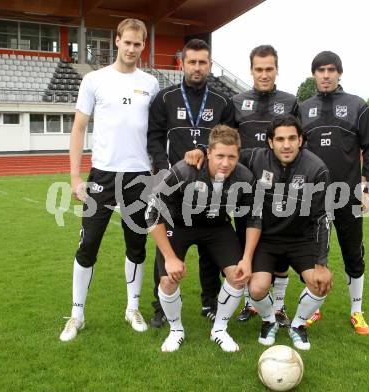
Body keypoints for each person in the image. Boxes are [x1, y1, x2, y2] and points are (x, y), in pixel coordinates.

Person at [185, 114, 332, 350]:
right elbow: (225, 152)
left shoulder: (316, 168)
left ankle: (298, 325)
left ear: (301, 140)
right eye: (280, 139)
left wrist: (322, 263)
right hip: (267, 238)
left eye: (292, 138)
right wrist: (202, 150)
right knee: (256, 287)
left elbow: (323, 218)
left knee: (321, 282)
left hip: (301, 239)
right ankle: (269, 320)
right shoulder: (255, 157)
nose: (286, 145)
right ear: (270, 142)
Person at [59, 18, 159, 342]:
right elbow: (78, 128)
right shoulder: (94, 80)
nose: (132, 49)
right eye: (127, 42)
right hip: (102, 174)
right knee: (88, 245)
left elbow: (155, 133)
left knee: (137, 245)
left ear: (143, 46)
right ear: (117, 41)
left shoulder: (151, 83)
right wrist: (75, 177)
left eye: (138, 44)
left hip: (139, 176)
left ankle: (132, 308)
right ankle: (77, 314)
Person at [146, 125, 261, 352]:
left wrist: (247, 258)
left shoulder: (245, 177)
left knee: (238, 275)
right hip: (179, 224)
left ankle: (219, 329)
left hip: (216, 226)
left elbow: (254, 218)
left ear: (238, 155)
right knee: (168, 279)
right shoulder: (184, 172)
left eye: (231, 157)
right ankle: (175, 330)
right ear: (208, 152)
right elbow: (152, 213)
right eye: (220, 156)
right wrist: (169, 257)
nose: (225, 163)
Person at [147, 39, 234, 327]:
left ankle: (210, 302)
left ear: (210, 65)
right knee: (166, 250)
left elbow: (231, 142)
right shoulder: (165, 98)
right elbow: (155, 137)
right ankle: (160, 306)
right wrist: (162, 170)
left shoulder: (221, 101)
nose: (197, 67)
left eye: (203, 62)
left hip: (212, 190)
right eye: (192, 62)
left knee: (211, 246)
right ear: (181, 63)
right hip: (175, 188)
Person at [298, 51, 369, 335]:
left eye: (331, 70)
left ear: (339, 73)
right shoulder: (303, 107)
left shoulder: (357, 106)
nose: (326, 75)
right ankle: (313, 307)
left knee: (352, 252)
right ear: (313, 74)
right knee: (313, 254)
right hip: (314, 196)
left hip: (349, 195)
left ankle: (356, 311)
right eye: (320, 70)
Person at [232, 45, 298, 326]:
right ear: (251, 70)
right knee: (244, 246)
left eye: (269, 68)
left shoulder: (291, 101)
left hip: (279, 189)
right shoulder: (236, 101)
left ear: (277, 69)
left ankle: (280, 306)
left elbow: (296, 142)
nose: (264, 74)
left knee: (281, 248)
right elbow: (228, 142)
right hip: (244, 190)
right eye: (258, 69)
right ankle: (251, 303)